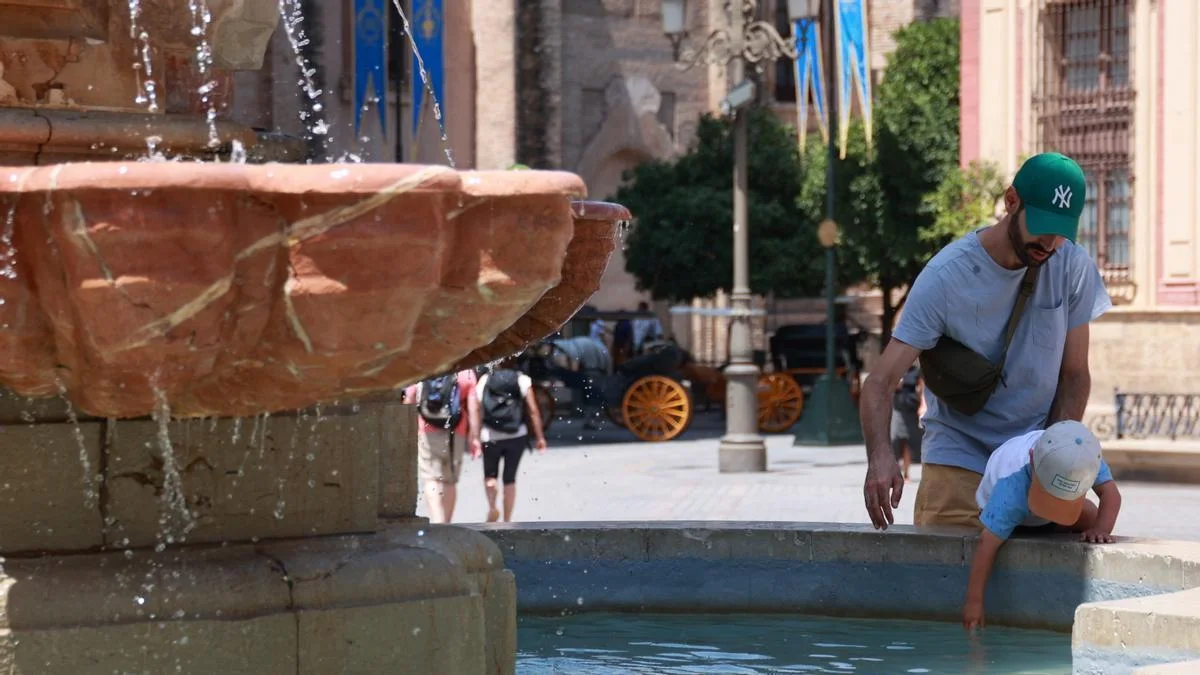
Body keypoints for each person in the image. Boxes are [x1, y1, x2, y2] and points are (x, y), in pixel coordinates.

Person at [861, 152, 1112, 530]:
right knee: (947, 585)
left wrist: (1051, 459)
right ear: (1011, 202)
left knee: (1046, 586)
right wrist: (881, 457)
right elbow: (880, 382)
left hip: (1030, 465)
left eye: (1061, 231)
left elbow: (1075, 377)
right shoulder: (946, 276)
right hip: (959, 461)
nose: (1049, 242)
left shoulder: (1072, 266)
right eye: (1042, 225)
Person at [963, 420, 1122, 630]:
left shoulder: (1084, 460)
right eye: (1050, 495)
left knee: (1092, 518)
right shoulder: (1010, 489)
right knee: (999, 532)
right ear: (1032, 459)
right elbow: (986, 544)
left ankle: (1061, 510)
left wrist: (1101, 530)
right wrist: (974, 601)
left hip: (1041, 511)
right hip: (1008, 511)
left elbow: (1111, 494)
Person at [470, 363, 548, 522]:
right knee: (510, 479)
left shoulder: (485, 379)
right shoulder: (522, 379)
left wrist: (475, 437)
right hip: (516, 435)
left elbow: (477, 409)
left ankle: (492, 507)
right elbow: (533, 410)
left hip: (490, 435)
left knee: (490, 476)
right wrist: (540, 437)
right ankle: (507, 520)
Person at [403, 369, 478, 524]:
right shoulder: (466, 371)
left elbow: (410, 397)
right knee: (449, 480)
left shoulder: (426, 366)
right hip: (456, 432)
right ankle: (446, 523)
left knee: (431, 478)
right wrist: (475, 436)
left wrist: (404, 430)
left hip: (426, 431)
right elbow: (473, 407)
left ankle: (437, 520)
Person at [890, 363, 925, 481]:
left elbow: (921, 388)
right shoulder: (895, 369)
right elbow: (886, 386)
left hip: (911, 408)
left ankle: (906, 473)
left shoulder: (916, 372)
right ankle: (895, 467)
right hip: (897, 408)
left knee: (908, 440)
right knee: (894, 438)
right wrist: (895, 385)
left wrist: (922, 405)